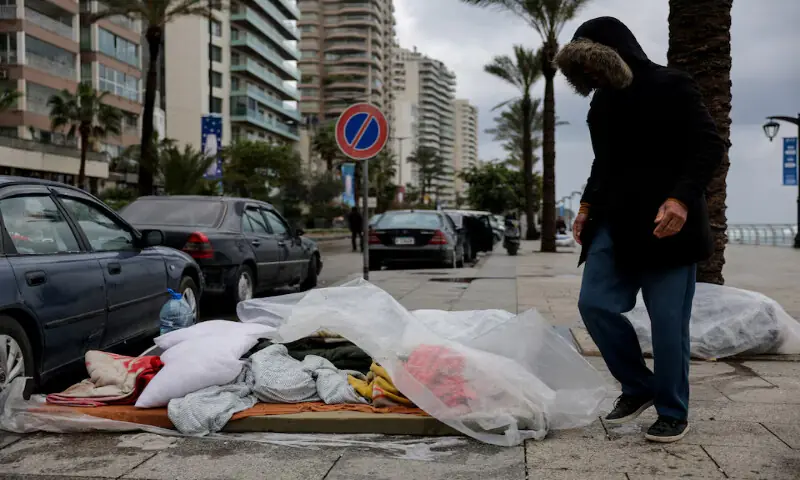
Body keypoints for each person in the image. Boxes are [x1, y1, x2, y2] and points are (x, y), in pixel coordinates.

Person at [555, 17, 725, 443]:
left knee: (668, 325)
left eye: (593, 65)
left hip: (668, 225)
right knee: (594, 304)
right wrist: (586, 206)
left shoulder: (674, 85)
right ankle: (638, 386)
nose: (590, 77)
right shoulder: (602, 104)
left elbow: (710, 144)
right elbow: (603, 162)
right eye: (583, 72)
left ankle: (671, 410)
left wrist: (682, 198)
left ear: (616, 54)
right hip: (613, 223)